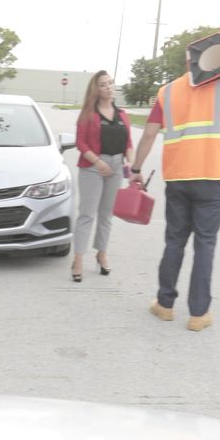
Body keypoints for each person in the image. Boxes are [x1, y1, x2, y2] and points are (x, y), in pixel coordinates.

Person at [128, 58, 220, 329]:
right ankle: (198, 315)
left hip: (177, 178)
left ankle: (164, 305)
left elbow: (150, 134)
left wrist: (137, 168)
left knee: (174, 241)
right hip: (211, 177)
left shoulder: (169, 91)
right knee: (205, 244)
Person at [70, 70, 133, 283]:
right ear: (96, 89)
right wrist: (98, 162)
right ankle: (78, 259)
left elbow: (128, 143)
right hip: (92, 167)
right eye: (103, 84)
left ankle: (101, 253)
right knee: (87, 214)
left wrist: (131, 161)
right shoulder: (88, 114)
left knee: (106, 215)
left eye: (110, 83)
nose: (108, 87)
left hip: (116, 167)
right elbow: (81, 143)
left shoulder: (122, 115)